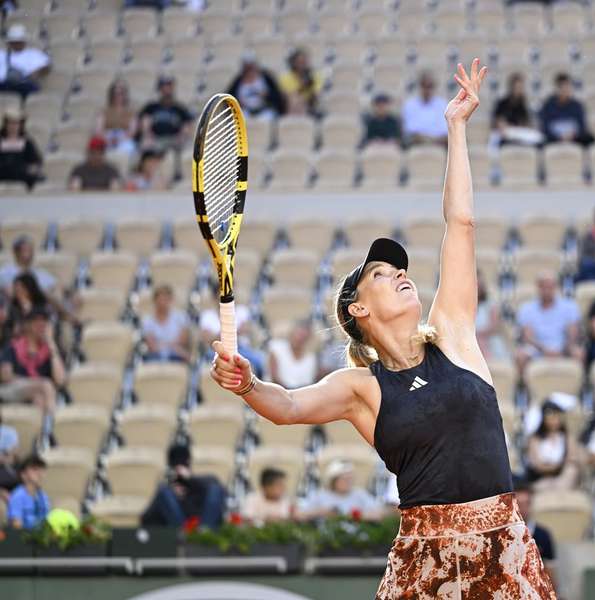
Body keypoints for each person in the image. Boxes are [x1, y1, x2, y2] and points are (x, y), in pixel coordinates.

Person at [209, 59, 556, 597]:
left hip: (503, 550)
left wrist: (457, 127)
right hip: (422, 561)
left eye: (400, 270)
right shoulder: (362, 388)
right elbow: (290, 408)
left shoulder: (454, 335)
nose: (399, 275)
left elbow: (460, 223)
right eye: (381, 273)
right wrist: (248, 384)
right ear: (358, 311)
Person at [141, 443, 226, 529]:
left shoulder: (206, 483)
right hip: (179, 529)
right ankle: (184, 535)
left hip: (205, 528)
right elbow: (146, 519)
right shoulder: (166, 491)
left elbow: (219, 494)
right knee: (164, 492)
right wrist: (171, 488)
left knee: (215, 489)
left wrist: (190, 481)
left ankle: (201, 534)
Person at [0, 307, 63, 419]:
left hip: (39, 394)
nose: (41, 324)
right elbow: (6, 376)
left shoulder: (48, 350)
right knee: (45, 384)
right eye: (37, 320)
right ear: (27, 324)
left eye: (44, 321)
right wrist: (35, 383)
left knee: (39, 398)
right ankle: (52, 429)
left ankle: (39, 435)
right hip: (10, 390)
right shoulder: (13, 347)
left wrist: (51, 343)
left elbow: (60, 380)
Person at [515, 272, 582, 373]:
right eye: (543, 286)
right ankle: (524, 386)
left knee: (578, 353)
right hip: (537, 348)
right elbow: (528, 336)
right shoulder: (527, 308)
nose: (546, 290)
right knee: (520, 355)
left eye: (550, 287)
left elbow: (572, 334)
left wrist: (562, 349)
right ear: (538, 287)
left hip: (563, 347)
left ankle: (577, 387)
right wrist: (544, 350)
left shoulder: (569, 307)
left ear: (555, 287)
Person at [296, 459, 387, 521]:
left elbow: (379, 514)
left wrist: (355, 516)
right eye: (344, 479)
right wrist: (322, 512)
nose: (348, 482)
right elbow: (299, 515)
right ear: (333, 480)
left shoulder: (359, 494)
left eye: (350, 479)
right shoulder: (320, 495)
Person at [512, 476, 558, 594]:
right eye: (519, 504)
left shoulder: (543, 535)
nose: (523, 509)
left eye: (526, 503)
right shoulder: (504, 534)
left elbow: (550, 571)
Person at [198, 296, 263, 376]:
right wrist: (233, 332)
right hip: (216, 352)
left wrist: (221, 335)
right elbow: (206, 338)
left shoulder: (241, 311)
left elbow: (248, 329)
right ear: (214, 298)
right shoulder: (207, 316)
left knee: (259, 360)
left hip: (240, 349)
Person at [137, 74, 192, 167]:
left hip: (173, 139)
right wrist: (148, 134)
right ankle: (145, 172)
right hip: (155, 138)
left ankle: (177, 175)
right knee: (146, 145)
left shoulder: (179, 108)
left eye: (169, 86)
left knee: (184, 149)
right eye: (164, 87)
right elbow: (144, 121)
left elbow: (187, 125)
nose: (166, 90)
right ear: (160, 89)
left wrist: (181, 136)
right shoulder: (152, 107)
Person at [525, 400, 579, 491]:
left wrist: (559, 466)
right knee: (544, 484)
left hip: (561, 475)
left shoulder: (567, 437)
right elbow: (537, 464)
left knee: (572, 470)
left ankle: (559, 490)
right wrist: (553, 467)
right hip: (541, 476)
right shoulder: (535, 439)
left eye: (557, 417)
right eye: (550, 417)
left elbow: (571, 458)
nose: (554, 421)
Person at [539, 72, 595, 146]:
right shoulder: (548, 106)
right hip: (554, 138)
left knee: (590, 138)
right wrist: (559, 136)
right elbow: (545, 128)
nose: (566, 90)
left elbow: (582, 127)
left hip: (574, 137)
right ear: (557, 88)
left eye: (568, 87)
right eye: (563, 87)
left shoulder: (577, 105)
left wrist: (572, 135)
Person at [227, 51, 286, 121]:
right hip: (245, 112)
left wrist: (267, 95)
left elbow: (277, 96)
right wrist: (238, 102)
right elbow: (229, 97)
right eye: (247, 66)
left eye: (251, 65)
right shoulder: (238, 80)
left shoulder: (266, 78)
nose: (249, 69)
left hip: (264, 111)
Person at [491, 72, 543, 148]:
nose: (519, 90)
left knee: (538, 137)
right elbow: (498, 120)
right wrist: (502, 126)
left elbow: (525, 121)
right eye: (517, 87)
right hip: (505, 130)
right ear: (512, 88)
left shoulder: (522, 102)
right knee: (494, 138)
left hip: (517, 131)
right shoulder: (502, 102)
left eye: (521, 87)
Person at [141, 285, 190, 363]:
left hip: (176, 355)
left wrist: (162, 345)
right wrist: (172, 346)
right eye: (160, 299)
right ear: (155, 301)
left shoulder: (181, 318)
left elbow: (183, 341)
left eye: (165, 299)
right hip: (156, 355)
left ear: (170, 300)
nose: (162, 302)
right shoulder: (147, 321)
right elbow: (152, 346)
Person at [0, 24, 50, 97]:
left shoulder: (34, 53)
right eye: (14, 42)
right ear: (9, 43)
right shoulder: (2, 54)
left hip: (24, 83)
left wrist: (37, 73)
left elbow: (46, 67)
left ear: (24, 42)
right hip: (4, 84)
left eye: (19, 41)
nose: (16, 44)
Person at [267, 319, 317, 389]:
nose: (300, 339)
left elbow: (308, 383)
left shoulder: (311, 358)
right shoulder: (276, 348)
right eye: (298, 335)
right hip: (276, 392)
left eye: (304, 337)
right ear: (292, 333)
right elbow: (274, 378)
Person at [0, 106, 42, 190]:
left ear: (20, 125)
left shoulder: (27, 142)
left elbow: (35, 161)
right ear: (6, 124)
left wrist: (33, 168)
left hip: (20, 174)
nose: (13, 126)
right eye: (10, 123)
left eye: (16, 123)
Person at [402, 71, 448, 146]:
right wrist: (425, 138)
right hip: (416, 142)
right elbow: (410, 128)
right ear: (419, 86)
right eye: (424, 85)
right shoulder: (410, 105)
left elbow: (444, 129)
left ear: (434, 87)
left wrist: (431, 139)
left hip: (439, 142)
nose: (427, 90)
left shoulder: (442, 104)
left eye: (429, 86)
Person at [95, 78, 137, 157]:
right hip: (107, 136)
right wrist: (108, 139)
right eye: (115, 93)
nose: (117, 96)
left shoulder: (131, 112)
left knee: (129, 149)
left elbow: (132, 131)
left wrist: (120, 139)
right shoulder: (104, 111)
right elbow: (98, 130)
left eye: (121, 93)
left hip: (124, 138)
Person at [2, 272, 50, 342]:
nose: (19, 292)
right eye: (16, 289)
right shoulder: (13, 307)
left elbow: (44, 327)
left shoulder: (40, 307)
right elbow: (8, 329)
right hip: (16, 344)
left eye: (22, 289)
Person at [6, 454, 49, 529]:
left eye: (42, 469)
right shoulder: (18, 496)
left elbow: (46, 521)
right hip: (24, 537)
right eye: (35, 469)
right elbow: (16, 526)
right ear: (23, 475)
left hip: (41, 537)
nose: (40, 473)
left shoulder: (43, 496)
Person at [278, 47, 322, 116]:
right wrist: (303, 87)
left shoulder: (315, 76)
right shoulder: (285, 78)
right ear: (293, 63)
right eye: (300, 62)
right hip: (291, 108)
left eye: (304, 62)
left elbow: (316, 96)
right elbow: (287, 96)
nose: (302, 65)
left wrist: (310, 85)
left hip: (309, 107)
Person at [475, 270, 508, 360]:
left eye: (479, 286)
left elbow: (494, 327)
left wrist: (477, 334)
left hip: (489, 340)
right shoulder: (461, 306)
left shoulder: (491, 304)